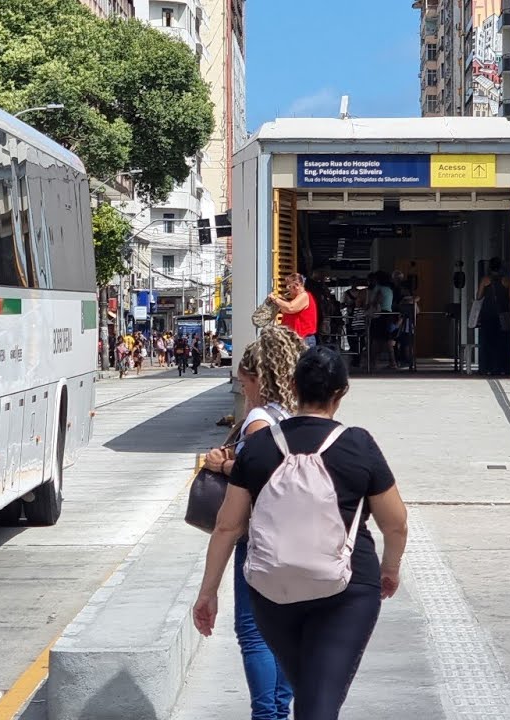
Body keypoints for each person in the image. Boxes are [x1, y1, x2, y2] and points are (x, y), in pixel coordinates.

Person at [193, 346, 409, 720]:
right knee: (316, 705)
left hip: (273, 592)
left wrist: (208, 592)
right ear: (341, 393)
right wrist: (389, 568)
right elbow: (396, 523)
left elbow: (227, 526)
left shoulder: (258, 447)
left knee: (309, 695)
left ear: (292, 386)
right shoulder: (358, 445)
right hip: (349, 591)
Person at [200, 326, 305, 720]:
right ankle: (278, 709)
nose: (244, 392)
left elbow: (264, 475)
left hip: (259, 537)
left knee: (254, 634)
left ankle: (269, 714)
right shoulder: (292, 414)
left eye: (244, 384)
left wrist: (223, 465)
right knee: (285, 632)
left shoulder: (259, 418)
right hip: (295, 537)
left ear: (259, 379)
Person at [476, 257, 510, 376]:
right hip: (503, 314)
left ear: (490, 267)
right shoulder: (506, 281)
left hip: (488, 314)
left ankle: (487, 368)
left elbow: (479, 296)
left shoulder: (485, 280)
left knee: (487, 342)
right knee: (502, 342)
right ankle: (502, 367)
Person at [267, 274, 317, 347]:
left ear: (296, 285)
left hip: (303, 340)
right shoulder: (296, 299)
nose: (288, 289)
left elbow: (290, 308)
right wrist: (281, 302)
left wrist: (275, 299)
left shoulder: (304, 296)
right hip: (294, 339)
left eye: (289, 286)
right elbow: (286, 310)